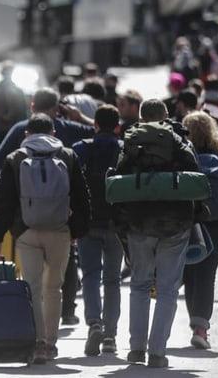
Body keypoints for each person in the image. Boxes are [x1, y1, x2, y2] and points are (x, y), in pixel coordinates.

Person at [0, 114, 91, 364]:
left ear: (26, 134)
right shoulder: (68, 156)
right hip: (60, 230)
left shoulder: (16, 158)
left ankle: (36, 341)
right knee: (53, 288)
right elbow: (81, 197)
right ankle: (49, 343)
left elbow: (5, 203)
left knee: (32, 286)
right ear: (53, 133)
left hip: (26, 231)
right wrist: (75, 232)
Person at [114, 99, 200, 369]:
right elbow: (194, 175)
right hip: (174, 223)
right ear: (165, 116)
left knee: (139, 284)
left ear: (141, 118)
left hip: (140, 222)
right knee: (167, 288)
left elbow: (120, 180)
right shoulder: (178, 141)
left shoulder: (130, 142)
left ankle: (136, 349)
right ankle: (157, 351)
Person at [71, 105, 124, 357]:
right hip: (116, 223)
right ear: (117, 126)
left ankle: (94, 323)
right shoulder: (124, 149)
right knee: (112, 279)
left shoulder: (81, 148)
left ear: (94, 124)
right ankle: (111, 336)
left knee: (90, 274)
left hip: (87, 221)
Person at [180, 110, 218, 350]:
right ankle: (201, 328)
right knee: (206, 274)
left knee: (190, 272)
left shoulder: (180, 154)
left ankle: (195, 325)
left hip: (186, 221)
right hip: (214, 223)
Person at [0, 87, 94, 180]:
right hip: (62, 194)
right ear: (56, 108)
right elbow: (101, 131)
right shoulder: (69, 128)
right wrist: (80, 117)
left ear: (32, 107)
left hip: (24, 195)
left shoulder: (19, 129)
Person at [0, 61, 29, 141]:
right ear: (2, 73)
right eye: (5, 72)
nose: (7, 75)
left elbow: (23, 112)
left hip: (13, 127)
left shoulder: (18, 91)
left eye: (9, 72)